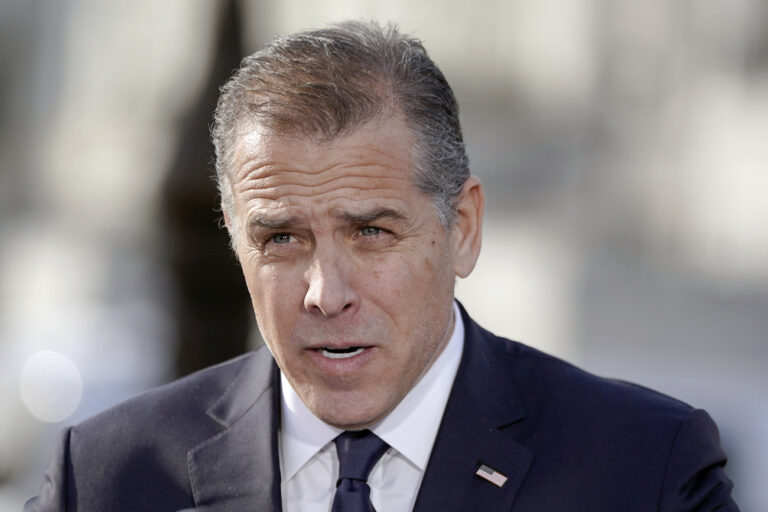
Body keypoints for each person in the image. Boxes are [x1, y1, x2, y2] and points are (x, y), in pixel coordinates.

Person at [26, 21, 738, 512]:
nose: (325, 293)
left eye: (370, 231)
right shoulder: (105, 479)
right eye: (281, 240)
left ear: (461, 229)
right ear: (235, 242)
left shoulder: (644, 468)